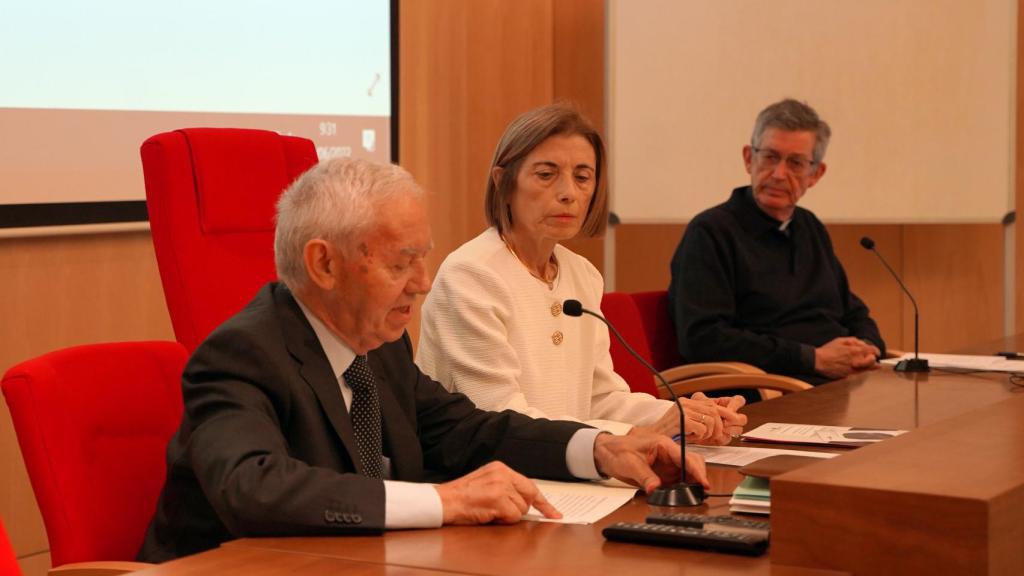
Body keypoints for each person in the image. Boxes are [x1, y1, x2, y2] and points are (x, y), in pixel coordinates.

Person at [138, 157, 708, 562]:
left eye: (424, 258)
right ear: (324, 265)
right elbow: (253, 488)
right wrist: (444, 500)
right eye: (401, 262)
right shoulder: (242, 353)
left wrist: (599, 448)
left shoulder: (378, 345)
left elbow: (466, 429)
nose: (424, 282)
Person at [416, 103, 746, 444]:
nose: (569, 193)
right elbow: (499, 416)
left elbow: (600, 398)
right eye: (546, 175)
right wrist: (632, 435)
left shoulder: (582, 274)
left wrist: (680, 415)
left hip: (566, 466)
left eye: (582, 177)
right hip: (484, 474)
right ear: (504, 183)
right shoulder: (471, 275)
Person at [668, 98, 885, 385]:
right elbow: (704, 338)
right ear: (749, 159)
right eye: (770, 157)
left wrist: (867, 346)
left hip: (835, 386)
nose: (779, 174)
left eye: (795, 163)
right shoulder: (710, 232)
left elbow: (851, 310)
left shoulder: (809, 227)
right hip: (765, 390)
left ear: (815, 175)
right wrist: (812, 358)